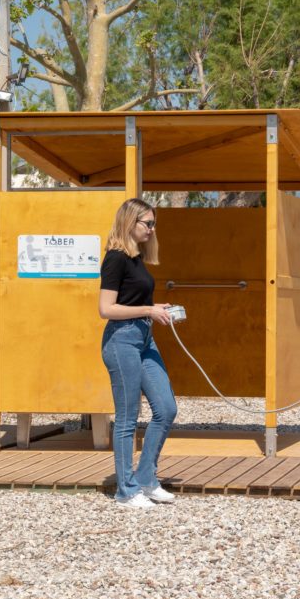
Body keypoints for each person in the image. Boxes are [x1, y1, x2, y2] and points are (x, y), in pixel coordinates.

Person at [98, 198, 178, 509]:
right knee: (128, 418)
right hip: (122, 341)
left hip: (144, 337)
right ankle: (126, 491)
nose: (152, 229)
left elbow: (134, 298)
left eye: (153, 223)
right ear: (129, 222)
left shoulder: (136, 258)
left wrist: (157, 310)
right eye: (148, 223)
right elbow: (105, 309)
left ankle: (146, 479)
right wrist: (148, 309)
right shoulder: (116, 258)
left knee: (166, 408)